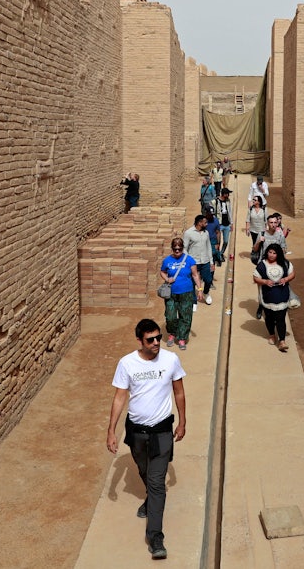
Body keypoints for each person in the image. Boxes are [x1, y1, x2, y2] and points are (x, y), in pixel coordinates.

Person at [106, 318, 187, 560]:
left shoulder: (171, 360)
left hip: (162, 430)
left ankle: (155, 536)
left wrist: (182, 421)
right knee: (143, 469)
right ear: (139, 341)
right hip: (137, 432)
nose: (155, 343)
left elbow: (179, 392)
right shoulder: (127, 363)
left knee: (156, 481)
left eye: (158, 338)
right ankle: (150, 498)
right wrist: (111, 430)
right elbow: (120, 397)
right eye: (150, 339)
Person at [160, 238, 204, 349]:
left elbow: (195, 275)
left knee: (185, 316)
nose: (177, 251)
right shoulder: (167, 260)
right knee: (170, 316)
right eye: (175, 249)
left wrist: (199, 290)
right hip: (171, 293)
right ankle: (172, 333)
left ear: (182, 248)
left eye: (179, 249)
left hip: (186, 293)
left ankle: (182, 338)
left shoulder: (189, 260)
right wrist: (167, 278)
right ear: (172, 249)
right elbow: (162, 272)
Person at [252, 243, 295, 352]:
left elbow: (292, 274)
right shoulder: (262, 265)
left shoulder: (285, 263)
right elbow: (255, 278)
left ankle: (282, 341)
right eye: (270, 252)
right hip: (268, 297)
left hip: (282, 296)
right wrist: (265, 281)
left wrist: (286, 279)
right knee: (269, 318)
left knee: (281, 319)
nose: (271, 255)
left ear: (278, 254)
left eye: (274, 253)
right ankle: (272, 335)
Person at [183, 215, 215, 308]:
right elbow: (184, 248)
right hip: (194, 262)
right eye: (205, 222)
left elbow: (208, 247)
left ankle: (206, 293)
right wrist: (189, 260)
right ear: (199, 223)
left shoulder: (206, 233)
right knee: (192, 282)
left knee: (208, 280)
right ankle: (194, 301)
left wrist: (211, 261)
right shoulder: (188, 233)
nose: (207, 224)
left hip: (205, 261)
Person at [216, 188, 233, 261]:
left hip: (227, 224)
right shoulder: (216, 201)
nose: (228, 195)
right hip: (219, 224)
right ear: (224, 194)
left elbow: (230, 212)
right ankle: (218, 255)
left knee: (226, 241)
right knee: (218, 241)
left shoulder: (228, 201)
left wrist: (231, 223)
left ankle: (221, 253)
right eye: (227, 194)